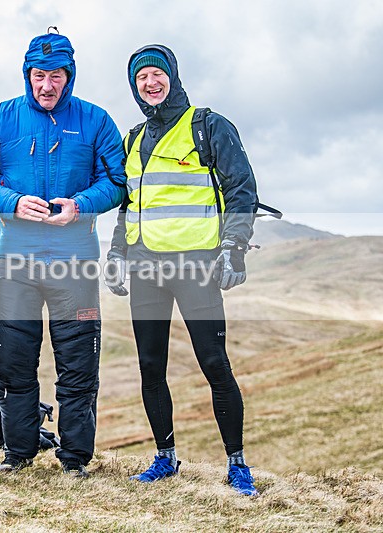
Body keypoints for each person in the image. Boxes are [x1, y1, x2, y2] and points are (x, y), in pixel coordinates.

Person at [0, 29, 126, 478]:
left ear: (69, 75)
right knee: (14, 363)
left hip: (75, 263)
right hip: (15, 263)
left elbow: (116, 181)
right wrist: (13, 202)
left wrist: (81, 205)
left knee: (78, 364)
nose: (47, 84)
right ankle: (17, 453)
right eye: (39, 75)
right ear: (27, 75)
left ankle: (74, 459)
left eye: (56, 75)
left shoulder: (96, 120)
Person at [105, 44, 259, 496]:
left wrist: (234, 247)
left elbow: (242, 189)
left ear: (172, 76)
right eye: (140, 78)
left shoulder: (208, 126)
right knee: (150, 366)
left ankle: (237, 464)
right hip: (145, 267)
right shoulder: (133, 139)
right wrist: (116, 254)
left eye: (156, 74)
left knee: (214, 363)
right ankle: (165, 457)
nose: (149, 83)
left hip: (196, 265)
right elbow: (129, 204)